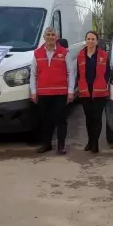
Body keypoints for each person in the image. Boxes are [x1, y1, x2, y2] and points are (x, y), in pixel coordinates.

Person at [30, 27, 76, 155]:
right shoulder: (37, 53)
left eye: (53, 35)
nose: (51, 37)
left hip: (60, 93)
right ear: (44, 37)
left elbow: (70, 72)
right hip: (43, 93)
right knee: (45, 120)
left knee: (61, 120)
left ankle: (61, 146)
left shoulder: (64, 52)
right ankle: (47, 144)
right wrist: (33, 91)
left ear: (57, 37)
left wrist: (71, 91)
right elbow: (33, 74)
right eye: (48, 34)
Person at [76, 31, 110, 153]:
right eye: (88, 39)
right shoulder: (80, 55)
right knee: (88, 118)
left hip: (99, 92)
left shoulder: (104, 55)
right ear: (86, 40)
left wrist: (104, 84)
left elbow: (108, 73)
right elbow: (78, 74)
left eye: (93, 39)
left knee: (97, 118)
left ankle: (95, 143)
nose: (90, 41)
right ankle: (90, 141)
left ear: (97, 41)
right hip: (85, 91)